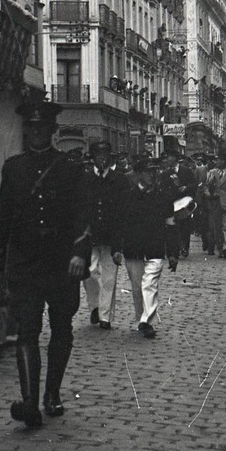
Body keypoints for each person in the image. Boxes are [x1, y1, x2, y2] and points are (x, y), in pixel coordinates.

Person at [0, 98, 90, 427]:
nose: (36, 133)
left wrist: (79, 253)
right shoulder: (13, 169)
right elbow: (4, 219)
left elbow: (82, 215)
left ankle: (52, 393)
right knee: (28, 330)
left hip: (62, 262)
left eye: (42, 128)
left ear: (52, 131)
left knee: (61, 329)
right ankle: (30, 401)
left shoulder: (70, 168)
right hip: (25, 262)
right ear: (26, 130)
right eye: (31, 128)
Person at [114, 156, 182, 338]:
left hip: (155, 247)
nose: (153, 175)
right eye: (148, 172)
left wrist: (173, 253)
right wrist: (116, 248)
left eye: (155, 171)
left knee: (150, 285)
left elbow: (170, 225)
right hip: (133, 248)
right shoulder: (127, 197)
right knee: (137, 287)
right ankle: (141, 318)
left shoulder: (164, 198)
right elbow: (119, 224)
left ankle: (146, 322)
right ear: (139, 175)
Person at [81, 140, 128, 330]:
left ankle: (105, 317)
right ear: (93, 157)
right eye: (99, 155)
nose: (102, 158)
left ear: (110, 157)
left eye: (105, 155)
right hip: (90, 236)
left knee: (109, 278)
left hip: (111, 236)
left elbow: (122, 213)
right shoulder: (84, 180)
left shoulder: (119, 180)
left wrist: (119, 245)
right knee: (89, 273)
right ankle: (95, 306)